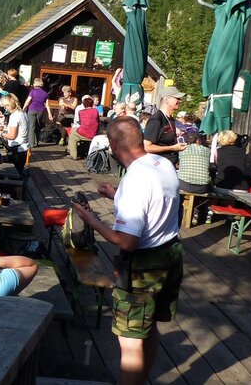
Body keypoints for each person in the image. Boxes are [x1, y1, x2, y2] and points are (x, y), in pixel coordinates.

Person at [75, 116, 183, 385]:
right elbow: (155, 200)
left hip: (144, 267)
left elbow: (125, 241)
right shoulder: (163, 165)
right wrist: (117, 194)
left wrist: (90, 220)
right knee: (150, 327)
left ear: (113, 144)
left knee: (131, 339)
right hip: (171, 253)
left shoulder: (135, 180)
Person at [143, 86, 187, 166]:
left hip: (169, 165)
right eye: (177, 98)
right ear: (166, 99)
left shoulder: (171, 119)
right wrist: (173, 148)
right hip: (158, 167)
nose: (180, 101)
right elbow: (147, 147)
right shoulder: (156, 119)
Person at [0, 94, 30, 177]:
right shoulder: (23, 113)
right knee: (19, 171)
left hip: (17, 148)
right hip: (24, 147)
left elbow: (12, 136)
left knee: (15, 174)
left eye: (6, 106)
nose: (5, 108)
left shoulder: (14, 116)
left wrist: (0, 133)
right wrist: (3, 123)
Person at [23, 78, 53, 148]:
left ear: (35, 84)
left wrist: (24, 107)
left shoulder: (32, 92)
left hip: (32, 110)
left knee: (31, 126)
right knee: (38, 125)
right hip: (41, 111)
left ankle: (31, 143)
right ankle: (37, 142)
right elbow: (47, 105)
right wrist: (49, 114)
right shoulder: (45, 93)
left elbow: (28, 101)